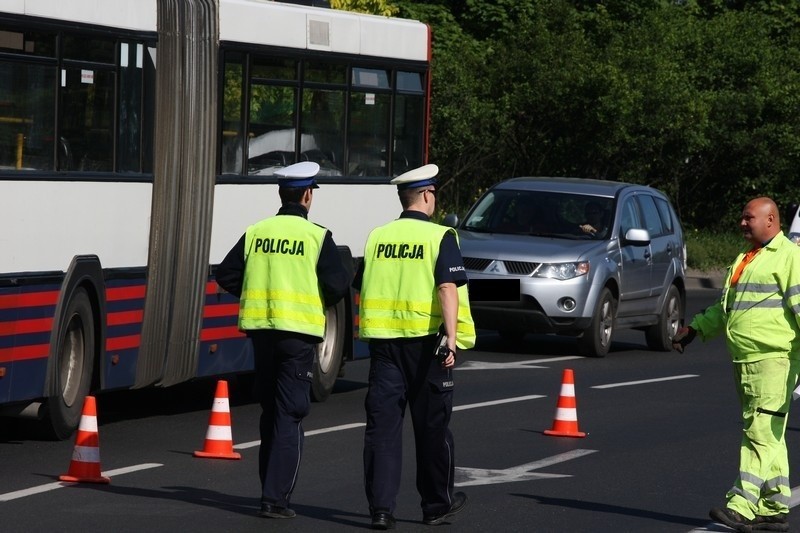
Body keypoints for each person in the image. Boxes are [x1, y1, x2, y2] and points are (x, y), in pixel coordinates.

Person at [215, 161, 350, 519]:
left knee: (270, 411)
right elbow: (338, 286)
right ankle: (275, 499)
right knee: (290, 415)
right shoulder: (317, 237)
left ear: (282, 194)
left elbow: (225, 273)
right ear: (307, 195)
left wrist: (257, 291)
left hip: (262, 333)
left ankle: (268, 490)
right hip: (297, 338)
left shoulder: (257, 231)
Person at [354, 164, 476, 530]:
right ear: (426, 195)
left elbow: (365, 283)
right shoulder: (441, 237)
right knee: (432, 427)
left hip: (384, 346)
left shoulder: (378, 237)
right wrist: (451, 338)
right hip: (426, 346)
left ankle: (380, 509)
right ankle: (436, 506)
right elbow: (447, 289)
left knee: (382, 429)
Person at [672, 197, 800, 532]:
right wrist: (696, 329)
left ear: (770, 219)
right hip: (747, 359)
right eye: (742, 218)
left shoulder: (790, 257)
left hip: (774, 360)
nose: (742, 224)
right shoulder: (747, 258)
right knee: (769, 433)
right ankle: (774, 509)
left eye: (748, 218)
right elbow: (727, 307)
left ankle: (741, 505)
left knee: (758, 432)